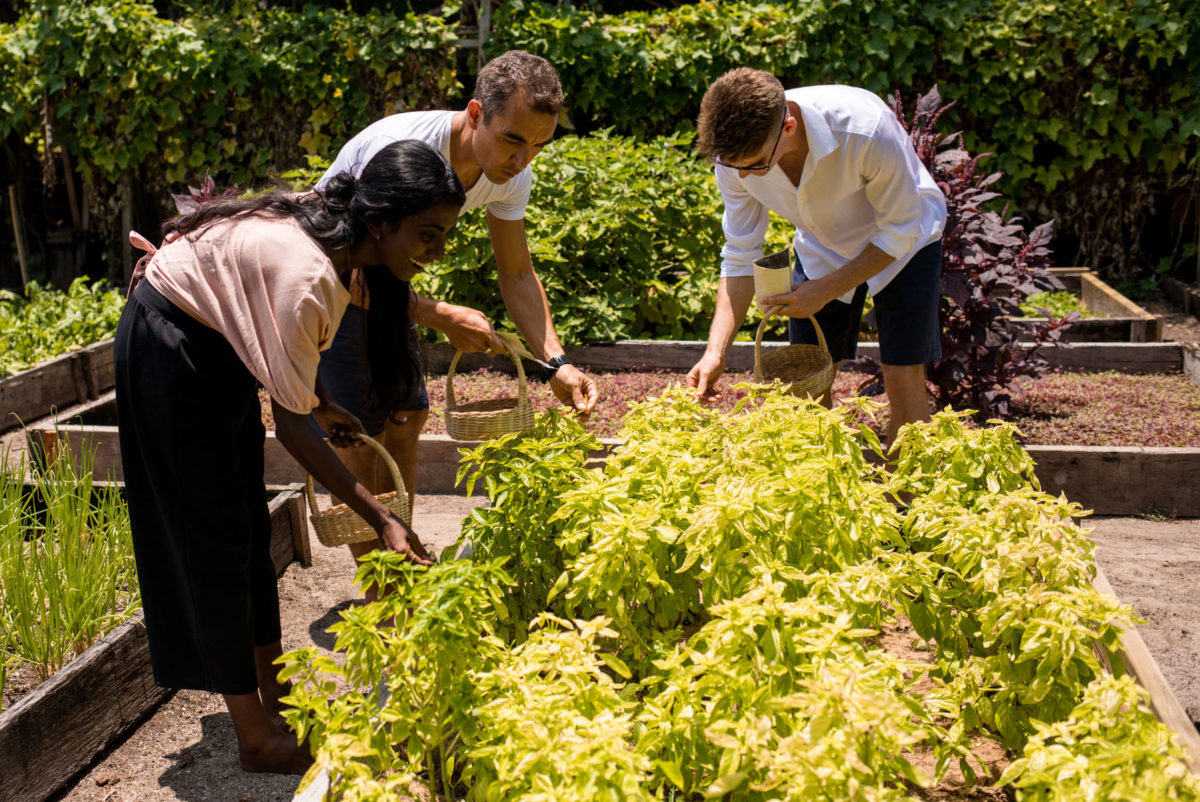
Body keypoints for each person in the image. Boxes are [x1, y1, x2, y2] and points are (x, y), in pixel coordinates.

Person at [114, 140, 462, 775]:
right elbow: (295, 432)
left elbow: (278, 347)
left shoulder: (342, 246)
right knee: (212, 539)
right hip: (172, 348)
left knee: (246, 526)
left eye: (445, 236)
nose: (436, 251)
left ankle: (277, 702)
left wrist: (322, 399)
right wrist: (380, 517)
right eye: (428, 235)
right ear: (381, 222)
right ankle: (257, 737)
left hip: (215, 345)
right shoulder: (308, 274)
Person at [314, 49, 599, 577]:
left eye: (539, 145)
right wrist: (441, 314)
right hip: (329, 274)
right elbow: (348, 270)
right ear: (475, 114)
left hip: (389, 281)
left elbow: (516, 272)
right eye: (513, 139)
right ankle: (382, 586)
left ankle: (401, 557)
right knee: (357, 430)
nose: (522, 160)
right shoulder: (403, 150)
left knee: (407, 415)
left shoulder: (512, 175)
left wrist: (555, 362)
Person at [686, 69, 947, 446]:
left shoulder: (865, 128)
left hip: (905, 241)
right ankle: (825, 492)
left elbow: (900, 228)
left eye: (756, 164)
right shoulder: (735, 163)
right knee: (806, 381)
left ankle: (909, 498)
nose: (744, 176)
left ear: (788, 126)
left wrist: (826, 290)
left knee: (902, 373)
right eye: (735, 166)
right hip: (822, 243)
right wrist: (716, 352)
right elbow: (741, 256)